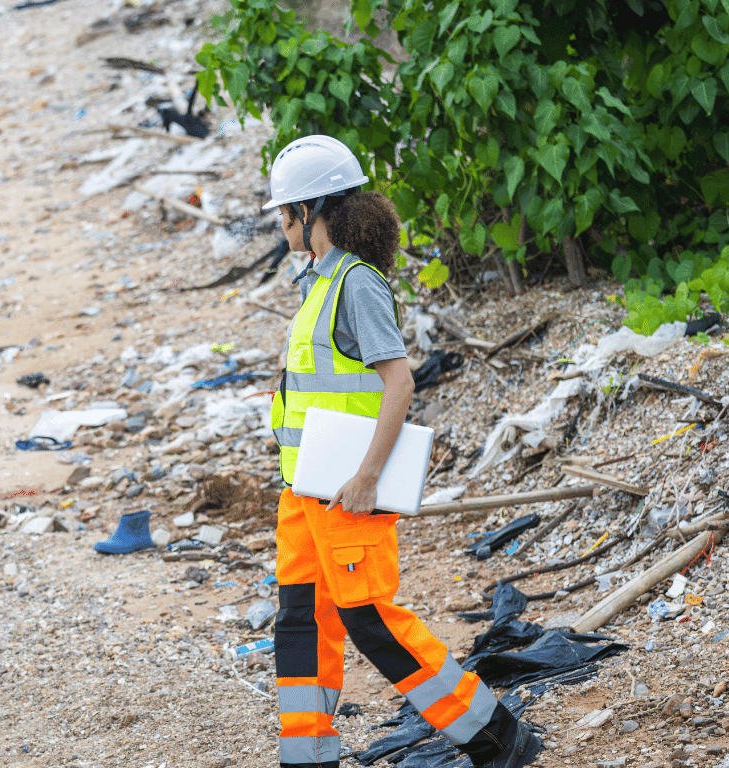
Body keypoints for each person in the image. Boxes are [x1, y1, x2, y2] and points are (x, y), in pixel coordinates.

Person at [264, 135, 542, 768]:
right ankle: (306, 758)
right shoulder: (320, 281)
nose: (282, 225)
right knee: (302, 629)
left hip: (345, 494)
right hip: (302, 494)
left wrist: (367, 476)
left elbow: (400, 381)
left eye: (286, 212)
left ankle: (496, 735)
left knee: (371, 623)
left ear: (314, 212)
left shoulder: (356, 284)